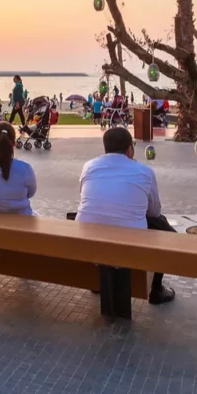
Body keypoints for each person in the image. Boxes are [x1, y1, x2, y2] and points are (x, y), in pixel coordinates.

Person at [75, 127, 174, 304]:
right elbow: (154, 212)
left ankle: (97, 281)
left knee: (96, 214)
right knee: (162, 226)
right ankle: (156, 289)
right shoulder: (145, 172)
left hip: (86, 241)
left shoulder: (89, 166)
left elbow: (84, 195)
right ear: (130, 149)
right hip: (130, 247)